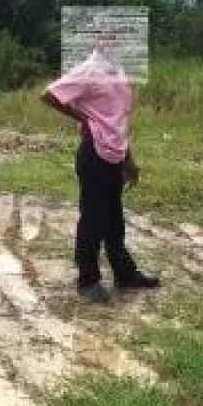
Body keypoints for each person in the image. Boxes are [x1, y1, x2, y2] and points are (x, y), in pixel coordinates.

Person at [41, 45, 160, 303]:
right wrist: (83, 118)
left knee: (114, 221)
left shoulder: (118, 74)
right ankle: (88, 281)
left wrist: (129, 160)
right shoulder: (90, 70)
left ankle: (125, 274)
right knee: (93, 220)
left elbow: (116, 121)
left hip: (114, 153)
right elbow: (50, 94)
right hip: (94, 155)